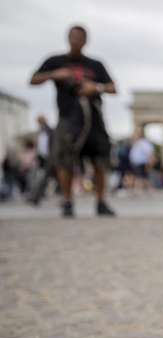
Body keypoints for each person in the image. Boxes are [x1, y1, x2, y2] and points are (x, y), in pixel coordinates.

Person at [30, 25, 117, 217]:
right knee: (64, 162)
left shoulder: (95, 65)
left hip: (93, 119)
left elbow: (113, 87)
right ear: (68, 38)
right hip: (68, 117)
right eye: (73, 37)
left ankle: (101, 201)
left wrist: (95, 87)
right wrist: (55, 74)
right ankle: (68, 201)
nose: (76, 41)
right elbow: (33, 79)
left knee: (100, 160)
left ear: (85, 41)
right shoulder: (56, 61)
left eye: (80, 38)